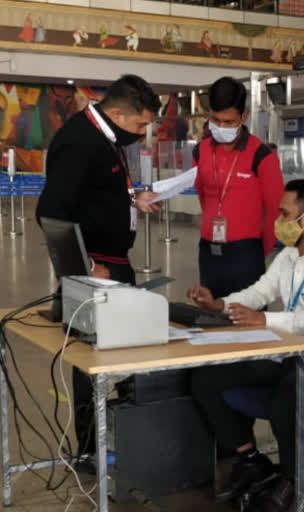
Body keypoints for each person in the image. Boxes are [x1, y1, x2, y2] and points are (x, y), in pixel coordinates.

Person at [187, 179, 304, 511]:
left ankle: (292, 481)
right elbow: (259, 293)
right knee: (206, 379)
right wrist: (220, 305)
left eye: (284, 213)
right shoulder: (287, 257)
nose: (277, 220)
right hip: (286, 349)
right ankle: (250, 458)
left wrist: (264, 320)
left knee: (287, 398)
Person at [36, 74, 162, 460]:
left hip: (116, 264)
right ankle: (91, 450)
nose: (143, 133)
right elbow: (51, 214)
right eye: (140, 124)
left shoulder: (105, 139)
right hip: (96, 274)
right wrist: (87, 267)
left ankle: (125, 437)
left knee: (128, 355)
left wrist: (132, 201)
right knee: (91, 364)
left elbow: (96, 193)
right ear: (119, 113)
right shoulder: (79, 142)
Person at [193, 77, 284, 299]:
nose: (221, 127)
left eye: (229, 122)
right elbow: (204, 197)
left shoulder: (261, 155)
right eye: (216, 120)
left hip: (246, 255)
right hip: (208, 252)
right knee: (211, 319)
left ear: (244, 117)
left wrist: (254, 253)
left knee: (246, 322)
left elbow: (275, 211)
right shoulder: (200, 151)